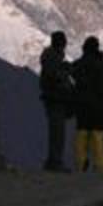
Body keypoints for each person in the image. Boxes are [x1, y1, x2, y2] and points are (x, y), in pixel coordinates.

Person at [71, 36, 103, 173]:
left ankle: (81, 164)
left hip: (81, 106)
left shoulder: (79, 64)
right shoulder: (102, 63)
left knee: (82, 134)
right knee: (98, 136)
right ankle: (101, 166)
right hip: (98, 105)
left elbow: (71, 73)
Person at [38, 30, 74, 172]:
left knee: (57, 133)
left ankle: (54, 161)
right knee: (57, 133)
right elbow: (55, 77)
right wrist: (66, 71)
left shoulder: (52, 58)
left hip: (55, 100)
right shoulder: (52, 59)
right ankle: (55, 163)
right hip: (55, 100)